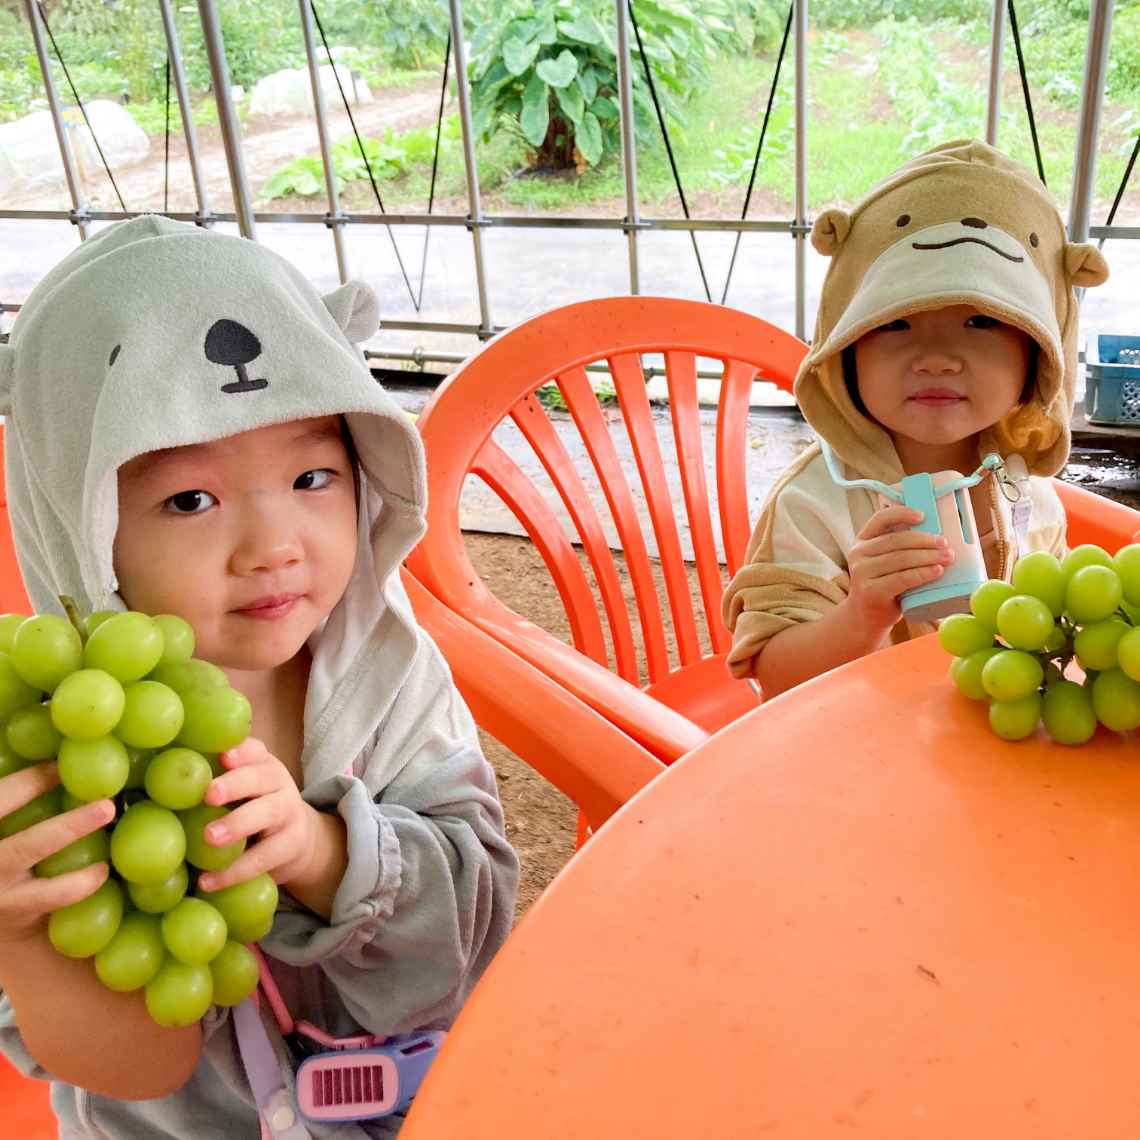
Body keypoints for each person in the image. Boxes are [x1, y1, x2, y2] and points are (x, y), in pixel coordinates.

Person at [0, 215, 519, 1137]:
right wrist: (25, 939)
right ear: (79, 527)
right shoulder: (56, 754)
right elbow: (136, 1067)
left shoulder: (394, 676)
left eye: (314, 476)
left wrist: (324, 853)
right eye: (190, 499)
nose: (276, 546)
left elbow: (476, 931)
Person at [723, 139, 1110, 697]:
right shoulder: (813, 504)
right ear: (845, 348)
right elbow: (773, 678)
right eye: (895, 322)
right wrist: (862, 615)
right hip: (852, 757)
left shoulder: (1028, 492)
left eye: (980, 321)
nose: (935, 357)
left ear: (1039, 353)